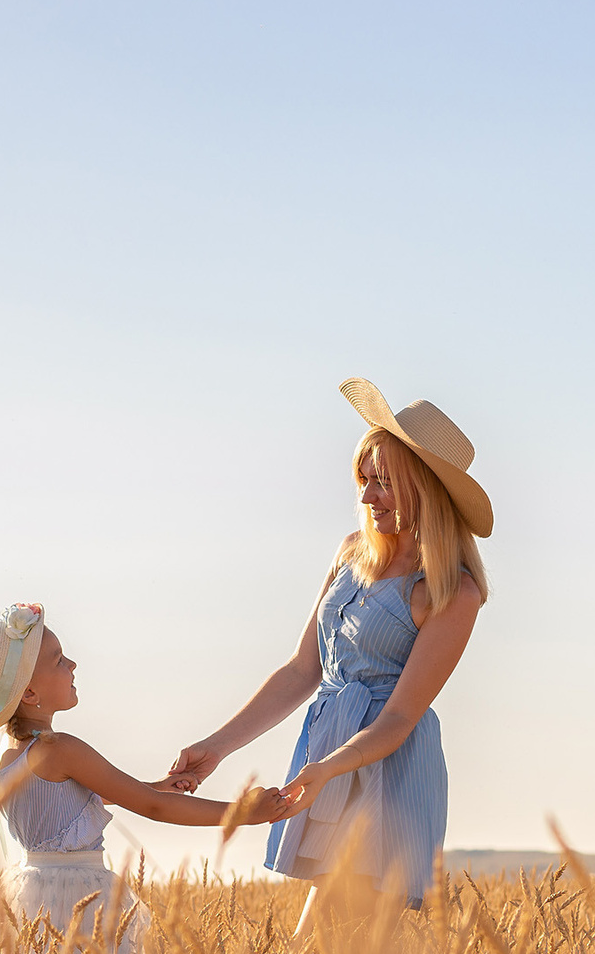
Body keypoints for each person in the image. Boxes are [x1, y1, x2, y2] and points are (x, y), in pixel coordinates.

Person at [162, 378, 491, 921]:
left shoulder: (452, 593)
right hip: (331, 756)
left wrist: (332, 768)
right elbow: (300, 671)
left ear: (425, 487)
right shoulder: (351, 552)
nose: (366, 496)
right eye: (364, 480)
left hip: (387, 769)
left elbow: (401, 717)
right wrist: (216, 748)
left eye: (383, 482)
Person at [0, 603, 289, 954]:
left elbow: (65, 808)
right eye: (58, 660)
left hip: (29, 902)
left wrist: (151, 786)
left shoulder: (8, 755)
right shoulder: (60, 748)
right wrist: (243, 813)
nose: (73, 665)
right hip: (80, 901)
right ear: (31, 692)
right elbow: (154, 809)